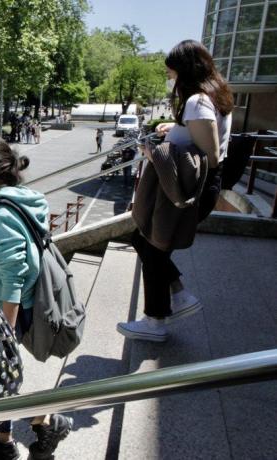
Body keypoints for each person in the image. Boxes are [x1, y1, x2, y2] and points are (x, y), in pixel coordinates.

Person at [0, 134, 72, 460]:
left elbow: (13, 276)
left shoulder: (3, 212)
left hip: (7, 310)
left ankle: (46, 419)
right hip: (12, 306)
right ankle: (2, 437)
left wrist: (4, 332)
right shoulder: (23, 197)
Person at [117, 39, 234, 342]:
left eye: (172, 74)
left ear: (185, 71)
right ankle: (179, 296)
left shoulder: (196, 101)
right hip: (200, 186)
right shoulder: (215, 96)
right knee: (146, 241)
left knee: (153, 248)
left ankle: (155, 321)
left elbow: (209, 154)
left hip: (187, 188)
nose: (171, 80)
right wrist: (176, 127)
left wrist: (154, 153)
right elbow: (202, 140)